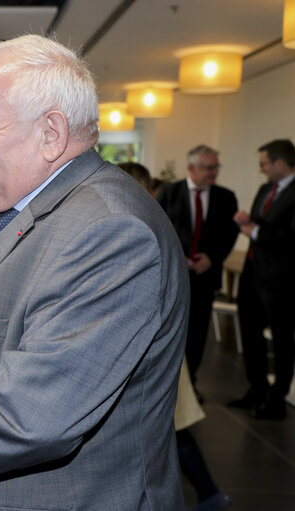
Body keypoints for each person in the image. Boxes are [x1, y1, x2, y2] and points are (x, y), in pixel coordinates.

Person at [0, 34, 189, 510]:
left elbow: (31, 416)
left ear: (51, 134)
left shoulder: (111, 230)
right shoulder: (45, 208)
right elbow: (12, 323)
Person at [121, 161, 231, 511]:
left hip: (151, 344)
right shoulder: (146, 219)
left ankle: (208, 494)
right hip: (155, 341)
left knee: (172, 427)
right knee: (170, 427)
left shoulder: (137, 223)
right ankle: (208, 493)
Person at [157, 146, 238, 393]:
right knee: (170, 334)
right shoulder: (170, 192)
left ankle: (190, 386)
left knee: (197, 335)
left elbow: (229, 233)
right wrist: (175, 256)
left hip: (204, 278)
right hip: (172, 277)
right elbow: (157, 227)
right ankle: (169, 389)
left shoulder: (226, 197)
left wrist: (213, 258)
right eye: (208, 167)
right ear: (191, 168)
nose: (214, 172)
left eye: (216, 167)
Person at [228, 139, 295, 420]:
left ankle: (277, 398)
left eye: (264, 163)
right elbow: (261, 222)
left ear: (280, 163)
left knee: (281, 340)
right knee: (250, 333)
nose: (261, 169)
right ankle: (257, 389)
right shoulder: (266, 189)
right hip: (253, 274)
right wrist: (248, 220)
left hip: (281, 280)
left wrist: (254, 231)